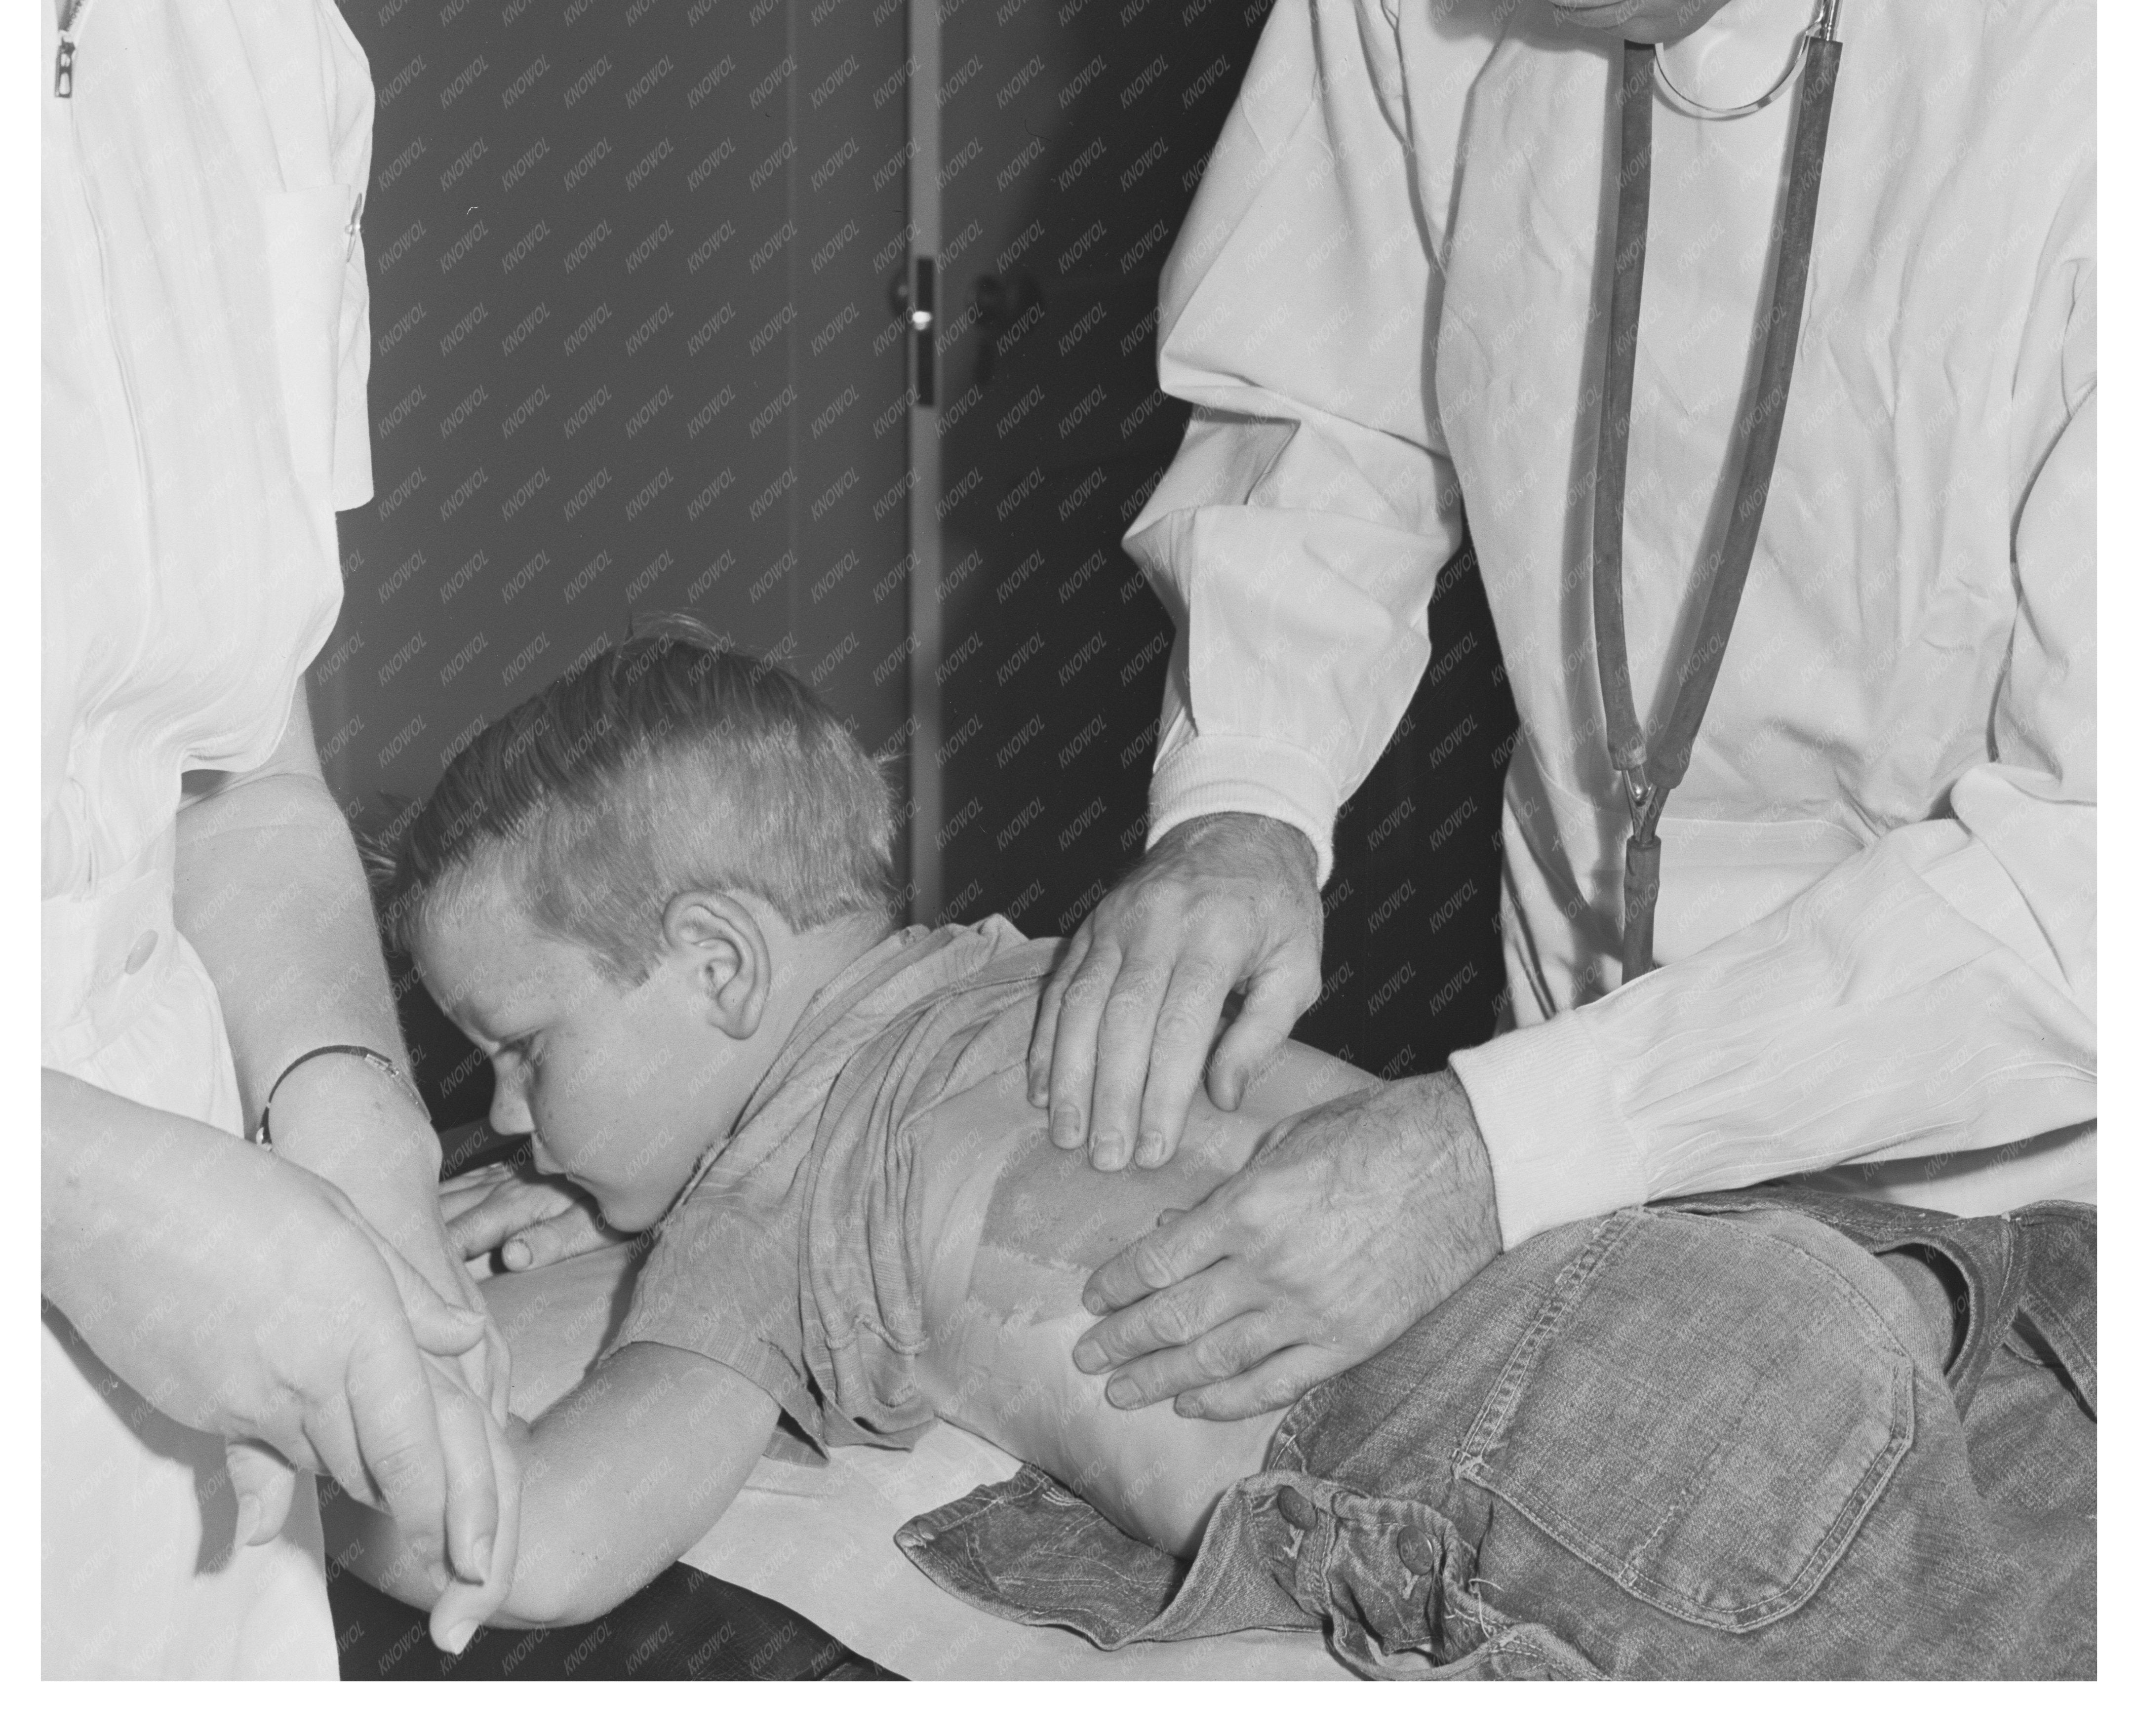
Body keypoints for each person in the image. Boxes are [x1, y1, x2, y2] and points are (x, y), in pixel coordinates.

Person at [1022, 0, 2094, 1432]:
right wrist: (1245, 800)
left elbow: (2091, 888)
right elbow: (1325, 380)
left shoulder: (2083, 32)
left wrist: (1488, 1149)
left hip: (2017, 1199)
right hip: (1572, 1101)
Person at [40, 0, 790, 1674]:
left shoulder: (255, 65)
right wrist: (86, 1195)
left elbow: (230, 763)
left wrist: (344, 1122)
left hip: (157, 1500)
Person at [332, 625, 2092, 1679]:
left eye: (520, 1049)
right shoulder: (1024, 976)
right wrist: (597, 1195)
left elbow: (541, 1546)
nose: (497, 1110)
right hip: (1741, 1261)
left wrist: (300, 1416)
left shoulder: (766, 1201)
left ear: (717, 964)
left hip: (1550, 1446)